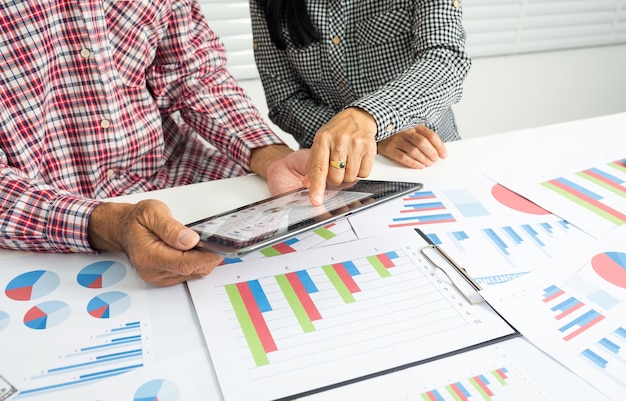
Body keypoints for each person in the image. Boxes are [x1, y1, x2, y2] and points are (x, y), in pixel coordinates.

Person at [0, 1, 331, 287]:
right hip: (45, 219)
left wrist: (270, 155)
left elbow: (193, 74)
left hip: (174, 174)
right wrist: (106, 225)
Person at [250, 0, 472, 184]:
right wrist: (373, 137)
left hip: (426, 162)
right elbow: (284, 100)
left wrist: (371, 118)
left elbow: (446, 59)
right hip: (332, 174)